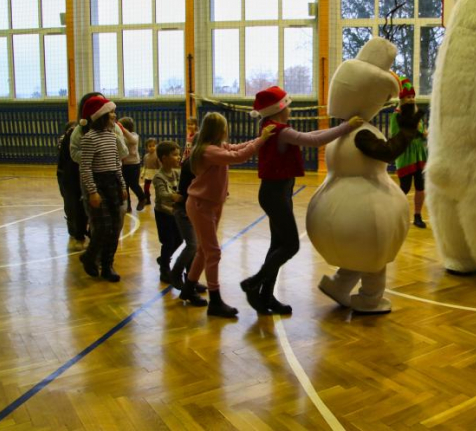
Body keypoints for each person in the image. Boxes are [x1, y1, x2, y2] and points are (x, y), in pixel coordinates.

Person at [240, 86, 363, 316]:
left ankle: (266, 296)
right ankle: (254, 284)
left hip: (278, 193)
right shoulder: (279, 130)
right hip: (275, 194)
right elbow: (313, 141)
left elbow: (312, 135)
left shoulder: (273, 127)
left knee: (278, 245)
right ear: (279, 110)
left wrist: (342, 127)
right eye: (288, 106)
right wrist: (347, 127)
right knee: (291, 245)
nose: (290, 110)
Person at [179, 113, 275, 317]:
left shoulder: (218, 147)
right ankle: (215, 301)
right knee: (213, 252)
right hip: (201, 205)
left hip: (211, 204)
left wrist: (260, 138)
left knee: (204, 251)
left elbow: (237, 148)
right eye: (224, 127)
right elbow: (238, 157)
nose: (226, 130)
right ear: (218, 130)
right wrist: (262, 140)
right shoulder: (208, 151)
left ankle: (188, 288)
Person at [78, 96, 127, 281]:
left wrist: (122, 185)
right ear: (101, 116)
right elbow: (85, 167)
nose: (114, 116)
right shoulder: (89, 138)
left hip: (112, 183)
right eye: (111, 113)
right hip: (98, 185)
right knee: (103, 227)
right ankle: (90, 256)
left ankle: (107, 266)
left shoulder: (111, 136)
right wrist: (92, 191)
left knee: (114, 227)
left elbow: (116, 164)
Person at [389, 77, 428, 229]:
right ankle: (393, 214)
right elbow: (395, 134)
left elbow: (421, 132)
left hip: (419, 154)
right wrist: (413, 131)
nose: (411, 99)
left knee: (420, 186)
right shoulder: (397, 115)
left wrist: (423, 134)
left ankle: (418, 215)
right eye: (408, 97)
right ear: (402, 99)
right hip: (405, 155)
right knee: (404, 187)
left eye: (412, 96)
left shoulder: (416, 113)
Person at [169, 154, 207, 293]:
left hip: (194, 209)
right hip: (184, 210)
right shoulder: (192, 162)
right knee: (192, 245)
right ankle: (176, 273)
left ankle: (191, 279)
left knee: (196, 246)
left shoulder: (197, 160)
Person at [152, 141, 183, 284]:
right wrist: (174, 196)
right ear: (164, 158)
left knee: (179, 239)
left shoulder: (176, 173)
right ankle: (164, 270)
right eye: (175, 155)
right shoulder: (159, 176)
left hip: (174, 213)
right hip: (163, 214)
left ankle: (163, 258)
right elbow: (161, 194)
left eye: (178, 154)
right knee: (168, 241)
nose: (178, 157)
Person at [56, 121, 87, 249]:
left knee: (78, 206)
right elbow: (66, 161)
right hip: (69, 176)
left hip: (74, 175)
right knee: (73, 206)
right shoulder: (68, 138)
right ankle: (76, 233)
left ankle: (80, 231)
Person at [118, 117, 146, 212]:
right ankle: (128, 206)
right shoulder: (120, 137)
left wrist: (122, 129)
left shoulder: (134, 135)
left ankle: (142, 198)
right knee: (124, 186)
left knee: (134, 184)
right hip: (123, 165)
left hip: (134, 164)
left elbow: (133, 141)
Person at [142, 139, 160, 206]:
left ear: (156, 146)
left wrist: (161, 174)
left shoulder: (157, 155)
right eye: (150, 146)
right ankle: (147, 200)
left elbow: (160, 166)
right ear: (146, 148)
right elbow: (145, 166)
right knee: (146, 187)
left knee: (158, 188)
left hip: (156, 174)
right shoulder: (146, 156)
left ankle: (159, 199)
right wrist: (142, 173)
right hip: (148, 174)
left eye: (153, 145)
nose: (152, 147)